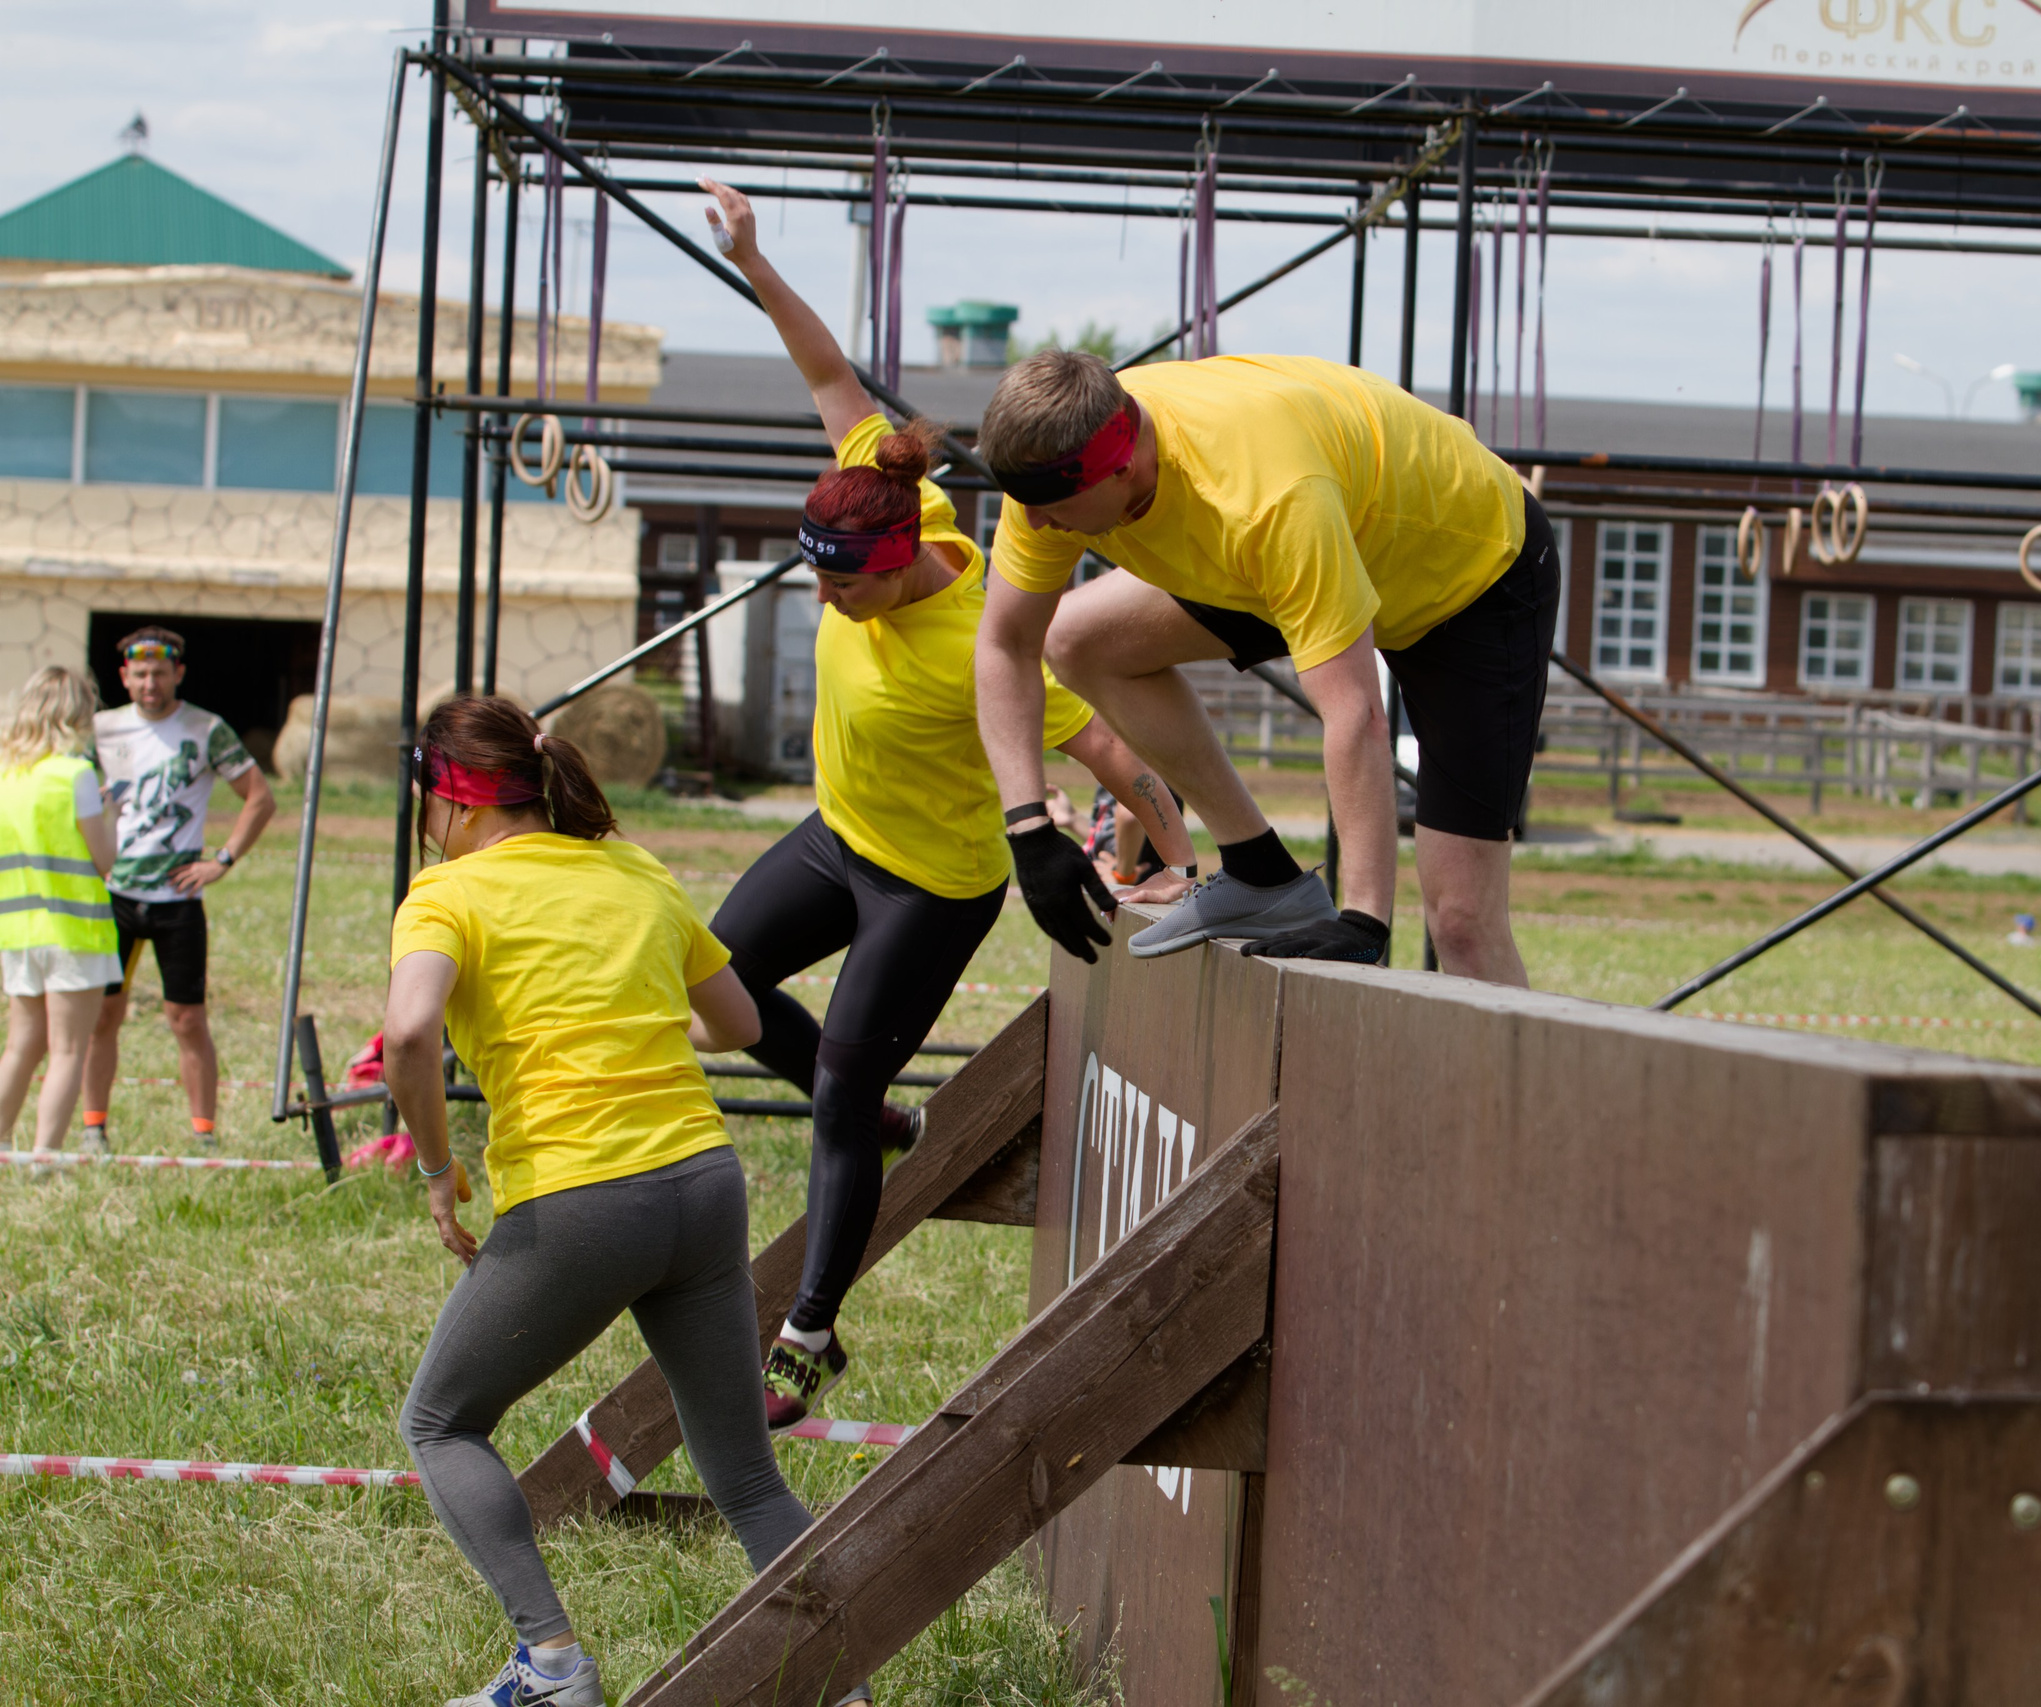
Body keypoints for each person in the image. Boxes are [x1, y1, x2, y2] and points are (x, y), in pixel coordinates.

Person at [697, 180, 1197, 1429]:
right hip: (836, 838)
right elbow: (823, 367)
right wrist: (755, 259)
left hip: (935, 886)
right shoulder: (885, 488)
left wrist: (1180, 852)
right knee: (708, 987)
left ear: (903, 565)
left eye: (843, 596)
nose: (825, 609)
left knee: (833, 1109)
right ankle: (878, 1112)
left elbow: (1111, 757)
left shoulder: (979, 643)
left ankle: (808, 1339)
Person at [385, 696, 815, 1707]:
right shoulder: (634, 867)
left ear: (450, 795)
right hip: (702, 1185)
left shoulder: (444, 892)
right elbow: (738, 1021)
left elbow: (408, 1035)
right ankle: (841, 1679)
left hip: (580, 1199)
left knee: (441, 1424)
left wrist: (436, 1167)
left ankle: (553, 1667)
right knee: (747, 1481)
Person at [971, 347, 1559, 986]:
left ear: (1123, 464)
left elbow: (1354, 711)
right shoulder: (1050, 463)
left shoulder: (1263, 495)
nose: (1029, 520)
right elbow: (1005, 645)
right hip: (1313, 539)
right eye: (1020, 498)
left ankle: (1515, 1086)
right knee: (1079, 640)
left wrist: (1364, 920)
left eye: (1048, 503)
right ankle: (1259, 871)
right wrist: (1029, 828)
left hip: (1470, 573)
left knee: (1463, 924)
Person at [82, 626, 274, 1153]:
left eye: (160, 672)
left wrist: (222, 860)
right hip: (114, 894)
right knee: (102, 1013)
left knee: (187, 1019)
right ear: (124, 676)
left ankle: (203, 1136)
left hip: (179, 900)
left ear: (178, 674)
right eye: (140, 673)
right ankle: (93, 1127)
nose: (150, 682)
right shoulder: (100, 729)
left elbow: (259, 797)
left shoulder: (206, 728)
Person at [0, 668, 119, 1156]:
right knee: (68, 1049)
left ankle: (3, 1143)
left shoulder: (9, 774)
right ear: (77, 713)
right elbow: (103, 858)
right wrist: (110, 811)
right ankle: (44, 1156)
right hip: (75, 932)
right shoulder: (77, 775)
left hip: (17, 930)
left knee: (20, 1046)